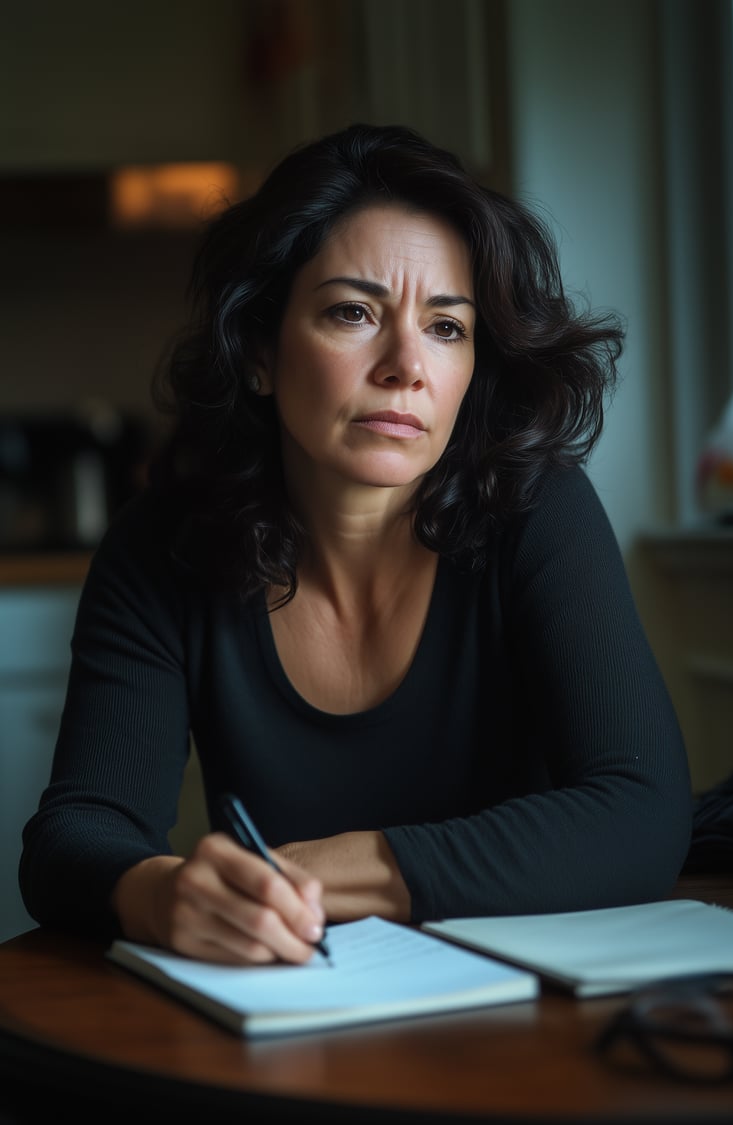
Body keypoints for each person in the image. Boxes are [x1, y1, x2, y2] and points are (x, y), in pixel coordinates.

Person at [19, 123, 693, 966]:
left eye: (447, 327)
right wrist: (162, 892)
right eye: (353, 313)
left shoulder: (536, 509)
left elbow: (642, 809)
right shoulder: (163, 544)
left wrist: (324, 869)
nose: (407, 364)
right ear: (258, 349)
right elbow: (75, 833)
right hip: (297, 1011)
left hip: (525, 1008)